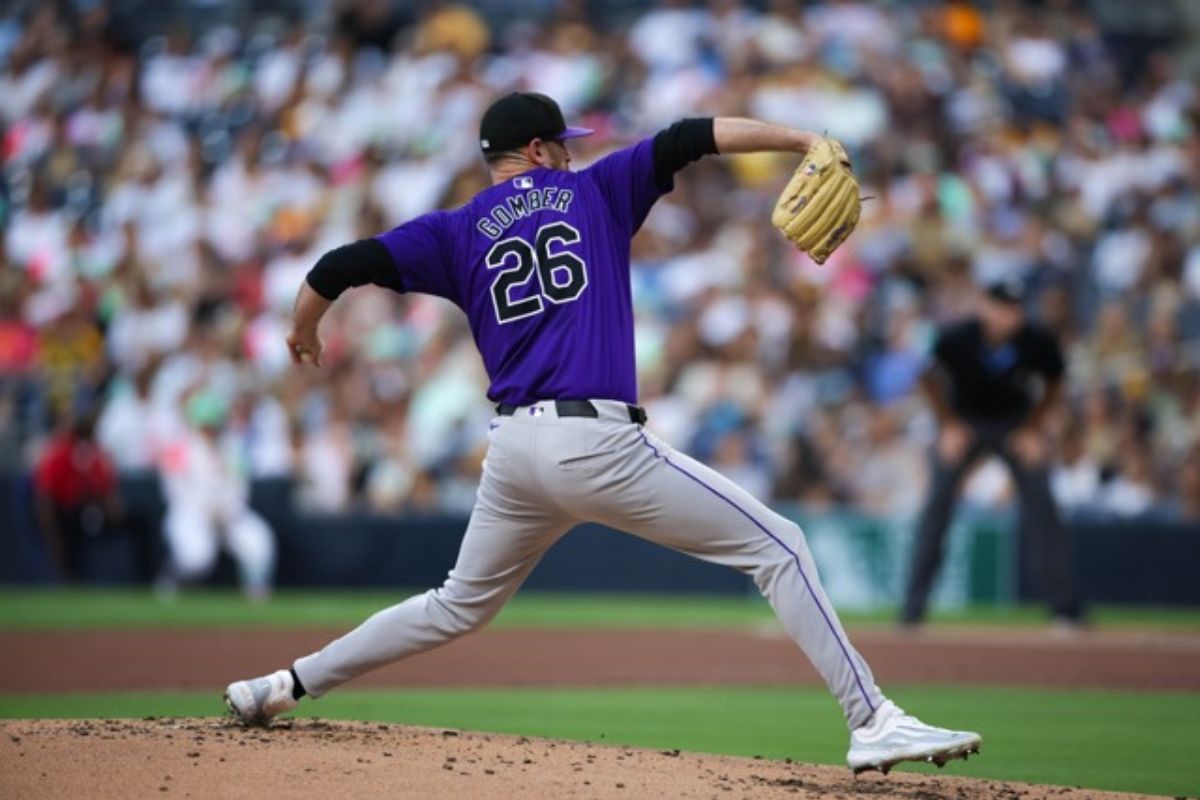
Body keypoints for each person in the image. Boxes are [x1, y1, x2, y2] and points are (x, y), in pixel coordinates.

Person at [225, 93, 980, 775]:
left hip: (516, 452)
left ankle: (283, 684)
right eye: (563, 142)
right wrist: (799, 138)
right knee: (779, 544)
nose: (572, 152)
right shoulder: (594, 190)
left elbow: (340, 263)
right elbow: (692, 137)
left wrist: (303, 329)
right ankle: (872, 719)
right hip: (596, 443)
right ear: (539, 151)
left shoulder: (453, 232)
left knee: (457, 604)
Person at [902, 278, 1085, 628]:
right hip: (966, 424)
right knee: (936, 506)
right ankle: (913, 610)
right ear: (985, 307)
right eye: (1002, 307)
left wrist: (1033, 428)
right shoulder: (958, 338)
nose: (1009, 316)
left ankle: (1064, 610)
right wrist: (948, 424)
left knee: (1043, 506)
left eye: (1015, 308)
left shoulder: (1035, 341)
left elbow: (1056, 382)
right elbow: (926, 378)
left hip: (1015, 425)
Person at [157, 390, 276, 601]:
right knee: (196, 558)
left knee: (259, 542)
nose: (210, 431)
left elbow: (240, 489)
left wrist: (226, 509)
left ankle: (256, 596)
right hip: (192, 515)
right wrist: (205, 509)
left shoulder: (234, 448)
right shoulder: (180, 449)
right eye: (205, 425)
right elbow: (174, 491)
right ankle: (171, 580)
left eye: (213, 425)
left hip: (228, 516)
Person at [33, 409, 122, 581]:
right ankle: (68, 577)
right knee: (70, 534)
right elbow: (44, 496)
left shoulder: (97, 454)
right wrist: (51, 529)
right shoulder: (59, 454)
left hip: (90, 509)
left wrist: (113, 509)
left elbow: (106, 488)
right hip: (64, 511)